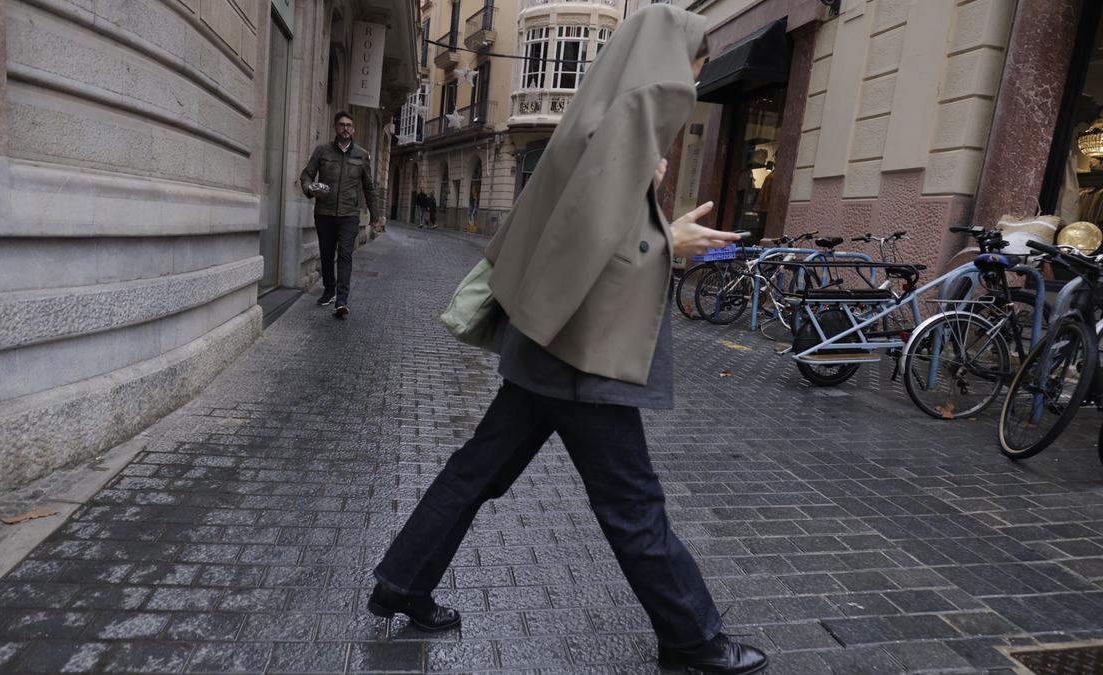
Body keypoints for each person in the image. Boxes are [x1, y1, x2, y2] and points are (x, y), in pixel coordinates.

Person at [368, 6, 767, 674]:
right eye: (696, 62)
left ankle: (401, 583)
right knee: (632, 502)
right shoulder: (637, 109)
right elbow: (586, 241)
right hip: (581, 348)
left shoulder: (597, 108)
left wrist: (650, 194)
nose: (697, 78)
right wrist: (672, 241)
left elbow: (565, 218)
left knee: (476, 471)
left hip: (544, 342)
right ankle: (692, 638)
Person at [301, 111, 382, 319]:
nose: (346, 128)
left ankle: (342, 301)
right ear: (335, 127)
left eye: (349, 125)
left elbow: (369, 188)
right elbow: (307, 175)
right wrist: (311, 189)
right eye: (342, 125)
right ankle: (329, 289)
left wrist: (375, 215)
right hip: (324, 213)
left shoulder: (362, 156)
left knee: (345, 254)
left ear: (353, 129)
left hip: (349, 214)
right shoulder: (322, 151)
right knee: (327, 254)